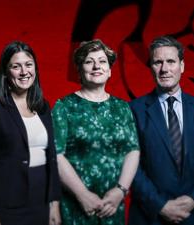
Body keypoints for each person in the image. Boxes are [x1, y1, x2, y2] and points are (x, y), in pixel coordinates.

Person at [128, 36, 194, 225]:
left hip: (191, 214)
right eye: (157, 62)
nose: (165, 69)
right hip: (149, 216)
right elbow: (130, 166)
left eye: (171, 61)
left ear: (182, 66)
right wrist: (161, 205)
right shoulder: (134, 110)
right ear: (151, 67)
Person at [52, 39, 140, 225]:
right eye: (89, 61)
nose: (96, 66)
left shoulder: (122, 107)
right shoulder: (64, 106)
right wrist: (82, 195)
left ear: (109, 71)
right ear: (80, 70)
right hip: (76, 204)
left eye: (102, 61)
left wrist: (120, 191)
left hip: (113, 205)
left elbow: (133, 150)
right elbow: (56, 154)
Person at [0, 41, 61, 225]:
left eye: (29, 65)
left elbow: (51, 156)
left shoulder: (43, 106)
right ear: (6, 72)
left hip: (43, 200)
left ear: (35, 69)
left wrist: (54, 203)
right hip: (9, 203)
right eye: (16, 66)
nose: (24, 72)